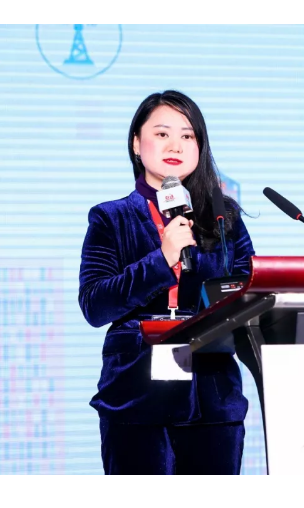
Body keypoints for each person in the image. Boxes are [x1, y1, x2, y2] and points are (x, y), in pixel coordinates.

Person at [78, 90, 256, 475]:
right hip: (135, 397)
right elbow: (95, 305)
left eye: (187, 136)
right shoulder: (110, 218)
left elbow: (249, 294)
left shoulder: (224, 219)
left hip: (212, 398)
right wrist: (162, 259)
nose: (176, 145)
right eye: (162, 134)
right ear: (136, 143)